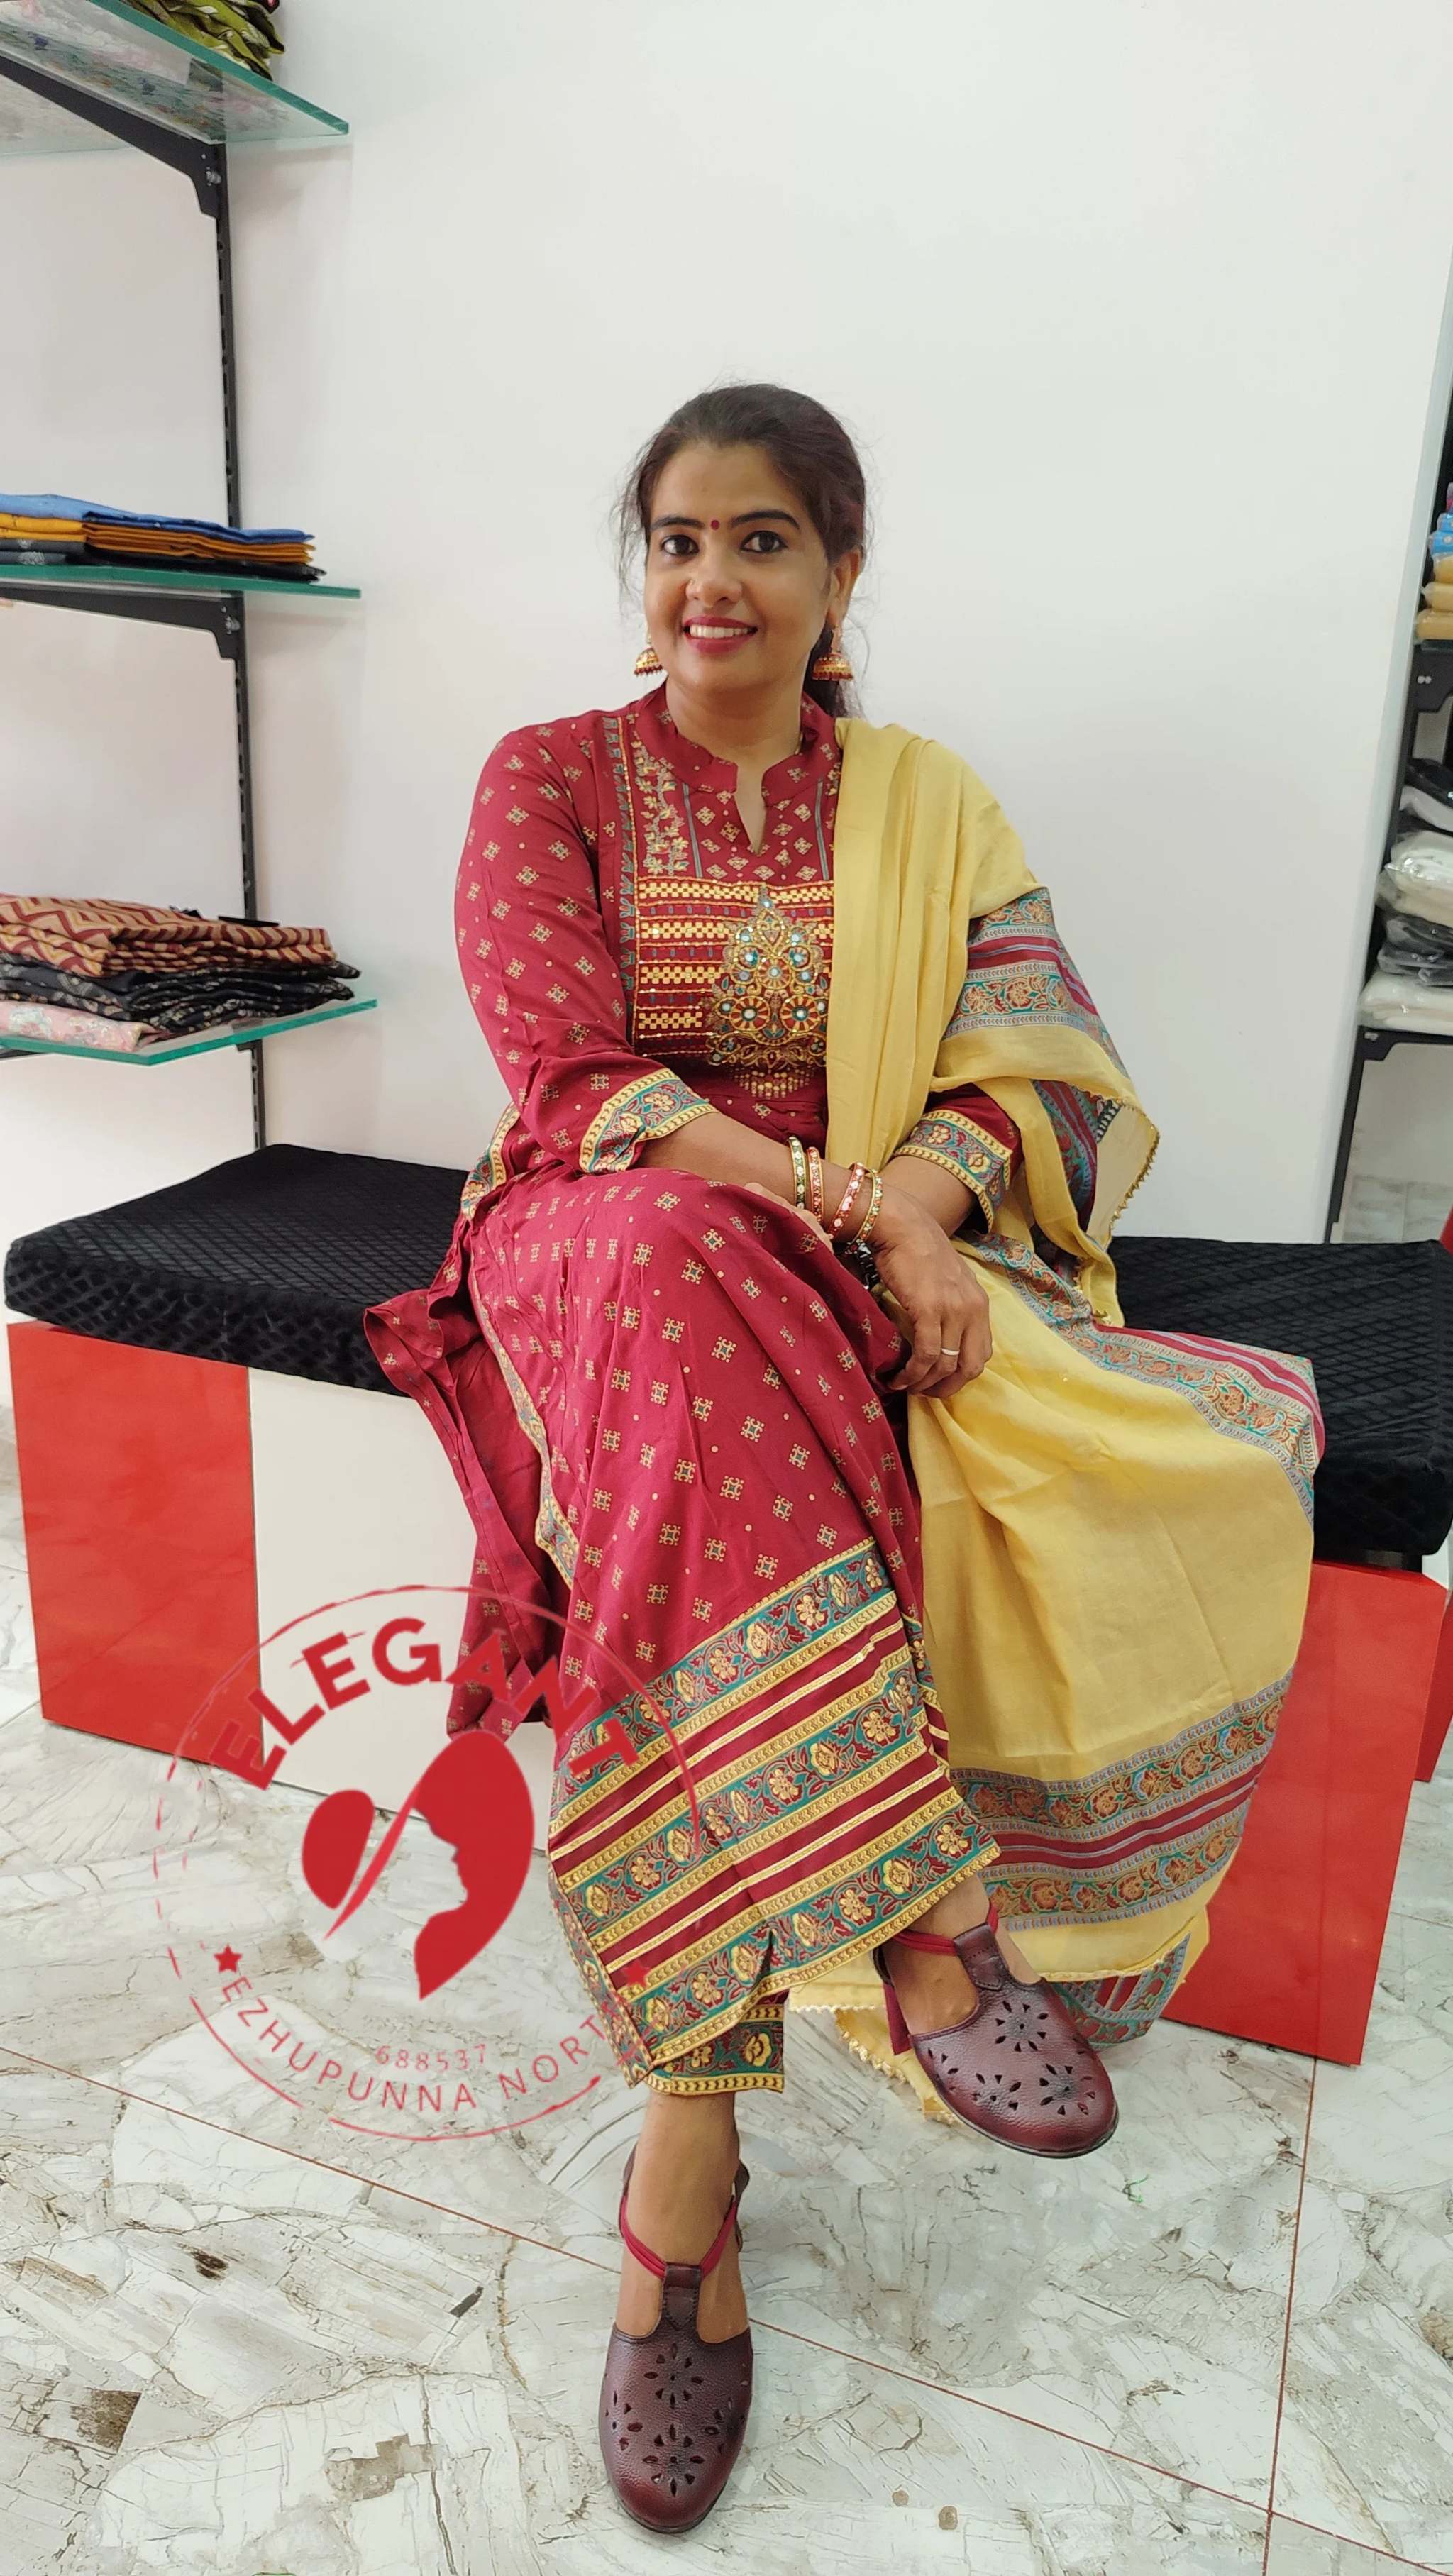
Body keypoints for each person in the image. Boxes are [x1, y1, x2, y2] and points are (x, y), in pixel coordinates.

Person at [366, 382, 1321, 2536]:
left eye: (765, 539)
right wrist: (830, 1198)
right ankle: (925, 1906)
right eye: (679, 539)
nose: (712, 581)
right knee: (685, 1271)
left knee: (712, 1487)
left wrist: (918, 1209)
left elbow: (1044, 1069)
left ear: (844, 571)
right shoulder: (552, 780)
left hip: (826, 1269)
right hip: (594, 1244)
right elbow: (568, 1078)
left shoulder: (925, 799)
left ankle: (679, 2207)